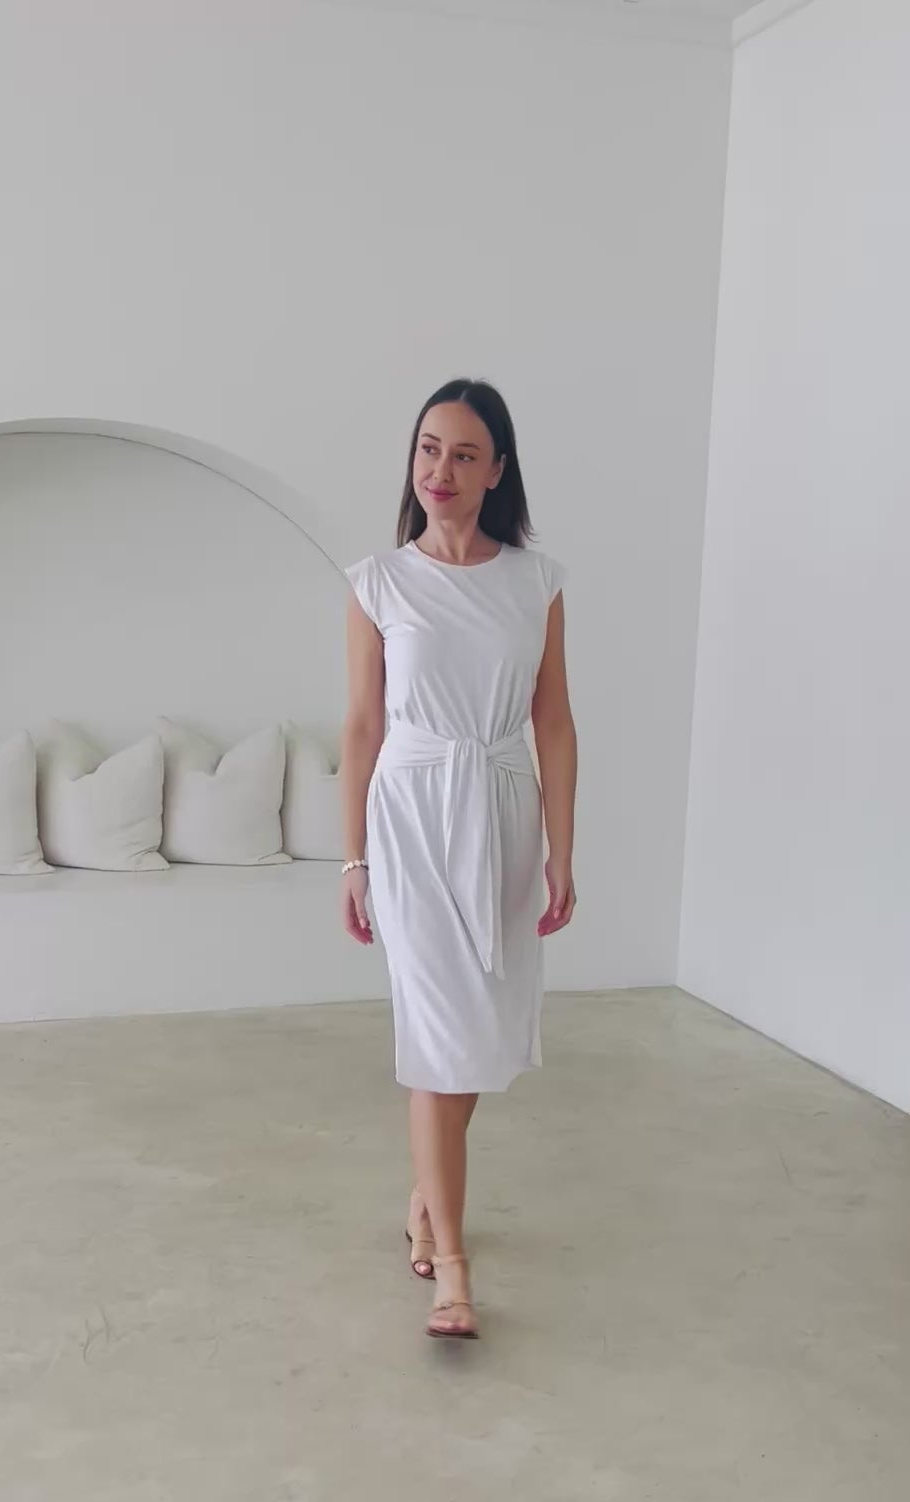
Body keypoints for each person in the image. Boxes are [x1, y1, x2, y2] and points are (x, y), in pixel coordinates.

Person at [340, 378, 577, 1341]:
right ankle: (455, 1270)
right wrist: (349, 860)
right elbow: (360, 726)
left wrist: (564, 848)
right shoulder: (377, 582)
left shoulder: (537, 581)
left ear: (499, 471)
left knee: (474, 1028)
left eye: (465, 454)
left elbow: (553, 721)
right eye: (429, 449)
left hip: (505, 815)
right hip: (411, 817)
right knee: (437, 1035)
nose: (441, 471)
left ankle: (425, 1200)